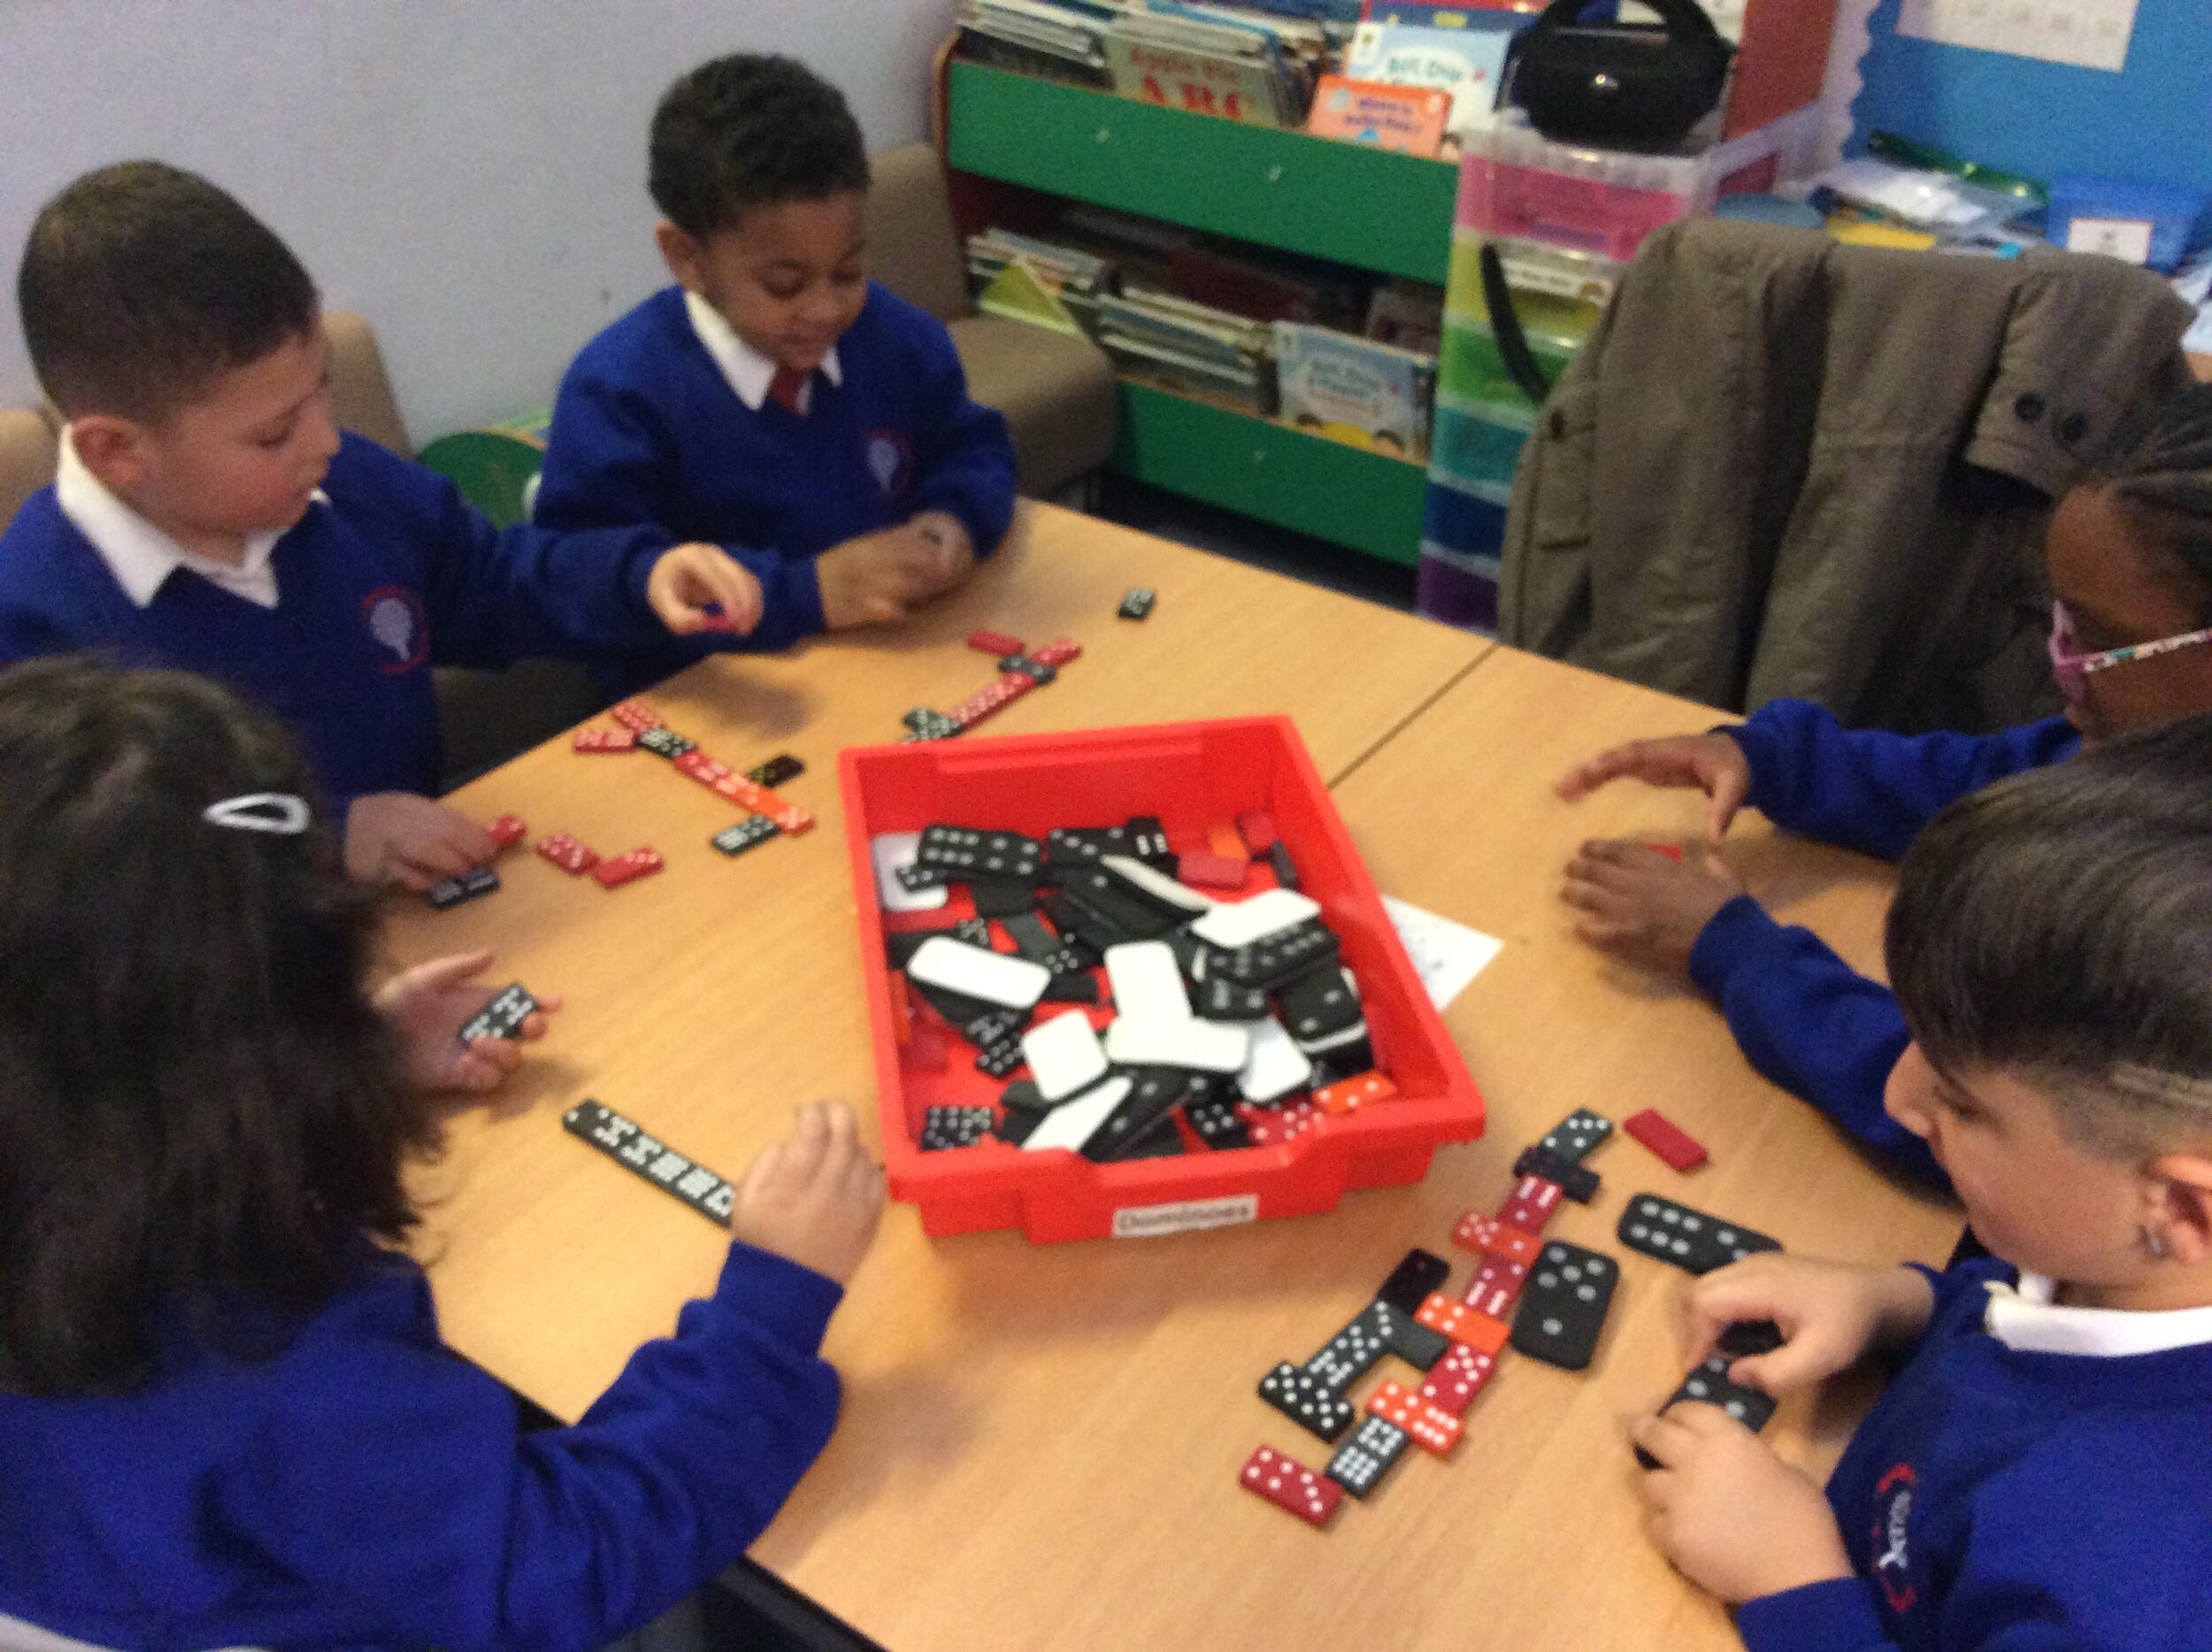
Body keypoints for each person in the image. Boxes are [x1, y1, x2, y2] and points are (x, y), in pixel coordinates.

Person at [0, 657, 884, 1652]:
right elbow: (561, 1565)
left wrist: (340, 1066)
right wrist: (769, 1313)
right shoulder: (279, 1366)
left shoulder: (63, 1165)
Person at [0, 161, 765, 892]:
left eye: (322, 389)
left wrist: (637, 576)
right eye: (274, 433)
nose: (326, 441)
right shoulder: (36, 625)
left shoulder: (344, 488)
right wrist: (326, 839)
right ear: (117, 451)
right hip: (233, 997)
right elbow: (86, 885)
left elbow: (493, 581)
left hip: (432, 920)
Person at [1633, 712, 2212, 1649]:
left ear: (2182, 1206)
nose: (1899, 1097)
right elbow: (2052, 1321)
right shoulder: (2122, 1256)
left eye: (1961, 1100)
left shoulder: (2132, 1587)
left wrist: (1791, 1581)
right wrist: (1904, 1304)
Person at [1555, 387, 2212, 1183]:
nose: (2058, 660)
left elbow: (1963, 1121)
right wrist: (1775, 761)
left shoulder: (2177, 927)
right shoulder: (2141, 752)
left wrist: (1733, 948)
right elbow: (1980, 780)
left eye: (2102, 641)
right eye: (2059, 620)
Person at [535, 53, 1017, 693]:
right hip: (727, 706)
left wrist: (953, 516)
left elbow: (972, 442)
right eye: (784, 285)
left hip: (890, 668)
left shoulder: (891, 336)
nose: (824, 308)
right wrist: (806, 593)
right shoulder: (619, 393)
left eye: (846, 272)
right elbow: (590, 592)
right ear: (687, 258)